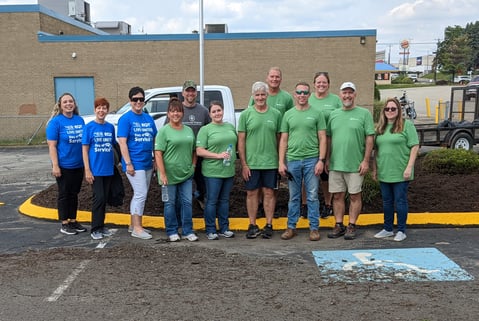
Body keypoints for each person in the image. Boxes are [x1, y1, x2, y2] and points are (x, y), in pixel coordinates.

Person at [326, 82, 375, 240]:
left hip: (355, 165)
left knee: (354, 196)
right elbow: (328, 137)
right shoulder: (333, 114)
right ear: (340, 95)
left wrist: (366, 160)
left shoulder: (364, 114)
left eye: (350, 93)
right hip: (335, 164)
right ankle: (339, 224)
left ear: (355, 95)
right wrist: (326, 159)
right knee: (338, 196)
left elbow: (369, 138)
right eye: (344, 92)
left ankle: (352, 225)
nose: (347, 96)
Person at [278, 82, 326, 241]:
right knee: (294, 196)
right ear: (295, 94)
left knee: (312, 195)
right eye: (299, 92)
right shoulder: (288, 114)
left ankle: (314, 228)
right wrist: (281, 162)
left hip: (312, 160)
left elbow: (322, 138)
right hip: (293, 161)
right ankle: (291, 227)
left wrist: (321, 160)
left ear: (309, 94)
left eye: (305, 93)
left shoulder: (317, 113)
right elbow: (283, 140)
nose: (302, 95)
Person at [248, 67, 294, 219]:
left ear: (281, 79)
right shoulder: (256, 98)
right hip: (257, 151)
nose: (274, 79)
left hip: (276, 146)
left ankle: (270, 210)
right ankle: (260, 207)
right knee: (257, 187)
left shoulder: (286, 98)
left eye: (277, 77)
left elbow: (288, 121)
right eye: (272, 76)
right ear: (267, 78)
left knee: (272, 186)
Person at [238, 81, 282, 239]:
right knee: (252, 193)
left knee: (269, 193)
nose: (260, 97)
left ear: (267, 95)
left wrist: (280, 161)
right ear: (253, 96)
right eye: (257, 95)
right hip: (252, 163)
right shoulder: (246, 115)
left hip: (270, 162)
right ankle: (252, 224)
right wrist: (243, 164)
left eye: (263, 94)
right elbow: (241, 141)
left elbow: (279, 140)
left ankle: (269, 224)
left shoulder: (276, 114)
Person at [372, 98, 419, 242]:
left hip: (401, 171)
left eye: (393, 108)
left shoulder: (406, 125)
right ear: (383, 111)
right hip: (385, 171)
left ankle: (401, 230)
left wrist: (409, 167)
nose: (390, 111)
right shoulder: (380, 128)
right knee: (387, 202)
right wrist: (375, 169)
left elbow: (415, 146)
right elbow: (376, 151)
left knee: (400, 201)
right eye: (387, 109)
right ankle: (387, 229)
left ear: (399, 110)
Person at [155, 97, 198, 242]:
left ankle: (187, 230)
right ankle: (172, 230)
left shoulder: (188, 130)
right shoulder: (164, 131)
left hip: (186, 174)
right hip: (169, 175)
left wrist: (193, 165)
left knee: (187, 202)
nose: (175, 114)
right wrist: (162, 173)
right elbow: (158, 153)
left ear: (182, 113)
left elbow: (193, 150)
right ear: (168, 114)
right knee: (170, 203)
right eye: (172, 111)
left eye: (178, 111)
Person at [118, 86, 158, 240]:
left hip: (147, 162)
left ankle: (132, 224)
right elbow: (122, 143)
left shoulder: (148, 118)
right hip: (134, 163)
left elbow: (154, 139)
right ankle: (137, 228)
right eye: (135, 99)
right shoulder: (125, 119)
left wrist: (155, 158)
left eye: (141, 99)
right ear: (130, 101)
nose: (139, 102)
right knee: (140, 194)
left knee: (141, 194)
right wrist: (128, 163)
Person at [166, 80, 211, 210]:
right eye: (188, 91)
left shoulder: (203, 111)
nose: (190, 93)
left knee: (203, 184)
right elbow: (166, 130)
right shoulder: (177, 110)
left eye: (192, 91)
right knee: (182, 187)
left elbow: (210, 131)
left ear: (196, 93)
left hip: (200, 156)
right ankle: (183, 210)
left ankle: (200, 198)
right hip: (180, 157)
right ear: (183, 93)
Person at [46, 93, 87, 235]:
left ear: (74, 104)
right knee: (64, 194)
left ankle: (73, 220)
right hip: (64, 165)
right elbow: (52, 146)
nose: (68, 104)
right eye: (65, 102)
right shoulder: (55, 122)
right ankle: (64, 223)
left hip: (78, 165)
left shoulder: (80, 120)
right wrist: (55, 165)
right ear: (60, 105)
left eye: (71, 101)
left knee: (74, 194)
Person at [196, 101, 237, 240]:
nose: (217, 113)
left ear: (223, 111)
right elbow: (199, 151)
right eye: (214, 112)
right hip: (212, 171)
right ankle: (210, 229)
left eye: (219, 110)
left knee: (224, 200)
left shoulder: (230, 127)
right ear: (210, 114)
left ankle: (224, 228)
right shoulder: (206, 129)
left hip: (228, 170)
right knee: (212, 201)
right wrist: (218, 156)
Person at [307, 71, 342, 219]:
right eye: (318, 82)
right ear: (314, 84)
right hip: (310, 143)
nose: (321, 85)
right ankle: (306, 205)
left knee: (326, 176)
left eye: (324, 82)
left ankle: (328, 204)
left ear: (328, 84)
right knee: (308, 176)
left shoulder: (335, 100)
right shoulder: (308, 99)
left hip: (330, 142)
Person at [82, 98, 116, 240]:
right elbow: (85, 150)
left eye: (104, 108)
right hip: (95, 170)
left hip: (108, 169)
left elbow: (113, 146)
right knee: (98, 198)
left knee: (104, 199)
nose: (101, 111)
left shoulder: (110, 127)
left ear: (107, 110)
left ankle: (101, 226)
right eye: (98, 108)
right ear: (95, 110)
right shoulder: (89, 127)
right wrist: (87, 170)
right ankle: (95, 228)